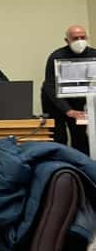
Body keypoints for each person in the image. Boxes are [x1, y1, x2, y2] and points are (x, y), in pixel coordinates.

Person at [41, 24, 96, 155]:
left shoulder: (94, 54)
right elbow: (50, 86)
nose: (80, 41)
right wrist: (67, 110)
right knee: (58, 136)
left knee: (80, 136)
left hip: (79, 98)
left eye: (83, 37)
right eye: (75, 38)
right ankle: (59, 164)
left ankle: (82, 164)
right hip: (54, 100)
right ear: (67, 40)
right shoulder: (56, 56)